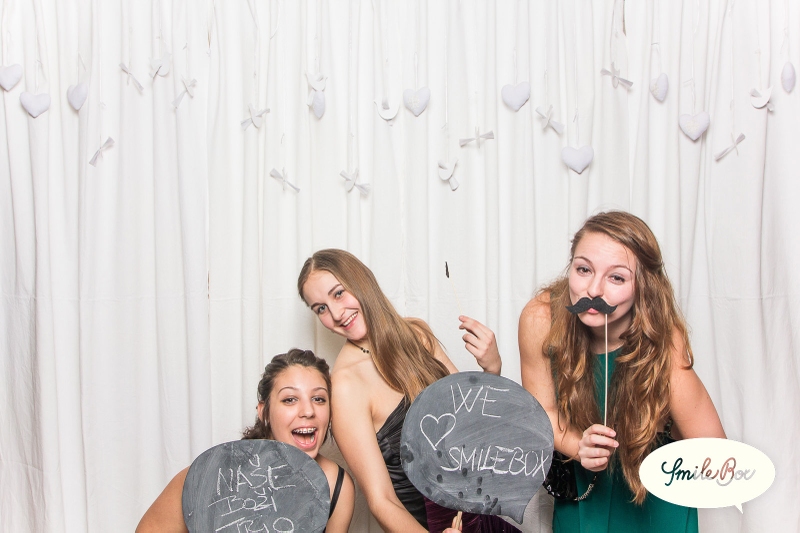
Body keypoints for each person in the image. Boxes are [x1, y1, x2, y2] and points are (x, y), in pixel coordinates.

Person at [519, 211, 725, 533]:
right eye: (584, 269)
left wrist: (661, 423)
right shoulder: (541, 319)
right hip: (585, 496)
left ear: (643, 285)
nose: (593, 290)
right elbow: (542, 410)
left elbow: (713, 449)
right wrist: (578, 446)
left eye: (616, 278)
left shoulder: (662, 338)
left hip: (653, 503)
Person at [298, 249, 518, 533]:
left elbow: (473, 427)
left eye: (338, 294)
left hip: (481, 519)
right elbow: (382, 501)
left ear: (361, 280)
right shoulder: (345, 385)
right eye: (321, 309)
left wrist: (492, 369)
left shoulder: (417, 334)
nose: (336, 314)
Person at [135, 349, 355, 533]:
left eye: (318, 399)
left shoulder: (337, 485)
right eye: (290, 399)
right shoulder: (212, 474)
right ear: (264, 412)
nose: (308, 411)